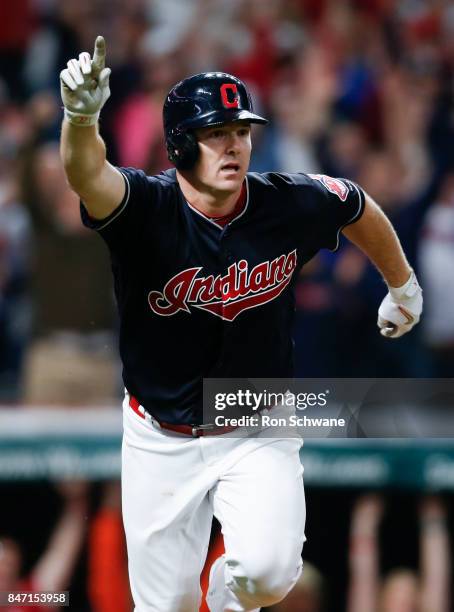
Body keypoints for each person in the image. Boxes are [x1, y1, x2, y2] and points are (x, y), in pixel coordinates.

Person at [59, 36, 423, 612]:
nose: (233, 147)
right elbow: (87, 174)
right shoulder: (146, 209)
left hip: (254, 417)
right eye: (214, 134)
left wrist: (402, 285)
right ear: (179, 146)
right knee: (164, 607)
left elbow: (355, 205)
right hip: (161, 433)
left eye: (240, 132)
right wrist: (81, 120)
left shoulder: (284, 201)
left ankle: (230, 601)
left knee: (269, 576)